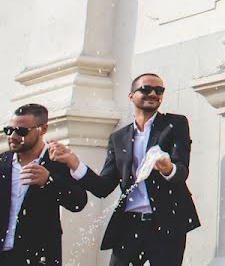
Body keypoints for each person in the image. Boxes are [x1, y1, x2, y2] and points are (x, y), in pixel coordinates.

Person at [49, 73, 199, 265]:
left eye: (159, 90)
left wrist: (168, 168)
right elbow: (103, 187)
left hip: (167, 221)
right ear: (131, 96)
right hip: (129, 223)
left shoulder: (175, 124)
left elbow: (181, 171)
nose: (153, 93)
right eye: (146, 89)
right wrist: (73, 162)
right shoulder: (118, 138)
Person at [0, 103, 87, 265]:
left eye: (21, 131)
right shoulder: (2, 161)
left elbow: (78, 202)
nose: (13, 136)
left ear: (43, 129)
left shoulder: (58, 160)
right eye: (8, 130)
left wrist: (49, 181)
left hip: (38, 255)